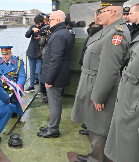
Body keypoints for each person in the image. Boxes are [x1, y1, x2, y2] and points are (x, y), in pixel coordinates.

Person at [71, 0, 130, 162]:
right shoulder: (108, 30)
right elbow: (94, 42)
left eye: (101, 12)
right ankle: (93, 156)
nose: (98, 15)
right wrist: (98, 23)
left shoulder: (116, 34)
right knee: (92, 125)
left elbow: (109, 69)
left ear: (111, 12)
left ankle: (96, 159)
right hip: (91, 82)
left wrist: (99, 96)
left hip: (98, 85)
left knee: (99, 129)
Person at [104, 3, 139, 162]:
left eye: (131, 13)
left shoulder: (119, 32)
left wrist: (124, 72)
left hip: (132, 95)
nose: (129, 16)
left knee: (127, 138)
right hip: (128, 91)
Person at [37, 10, 74, 138]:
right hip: (58, 75)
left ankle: (53, 130)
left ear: (58, 20)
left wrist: (49, 80)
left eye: (51, 20)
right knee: (54, 103)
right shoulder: (63, 32)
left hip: (55, 77)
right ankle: (52, 126)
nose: (49, 22)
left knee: (54, 104)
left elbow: (56, 60)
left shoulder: (58, 35)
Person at [0, 46, 26, 118]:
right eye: (3, 54)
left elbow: (22, 76)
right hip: (4, 88)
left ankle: (14, 110)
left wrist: (17, 86)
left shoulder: (18, 62)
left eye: (6, 54)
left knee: (15, 112)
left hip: (15, 88)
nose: (4, 56)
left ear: (11, 53)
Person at [25, 14, 45, 93]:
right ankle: (31, 86)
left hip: (40, 53)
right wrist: (32, 29)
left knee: (40, 72)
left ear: (42, 22)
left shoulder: (45, 28)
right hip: (32, 52)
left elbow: (48, 39)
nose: (37, 25)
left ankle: (40, 88)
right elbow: (26, 35)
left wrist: (41, 37)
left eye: (39, 24)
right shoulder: (33, 27)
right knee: (32, 70)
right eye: (36, 24)